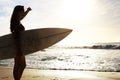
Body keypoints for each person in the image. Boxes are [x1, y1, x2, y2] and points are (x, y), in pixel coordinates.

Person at [10, 5, 32, 80]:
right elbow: (15, 36)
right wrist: (18, 49)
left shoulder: (17, 20)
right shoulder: (15, 22)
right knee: (18, 65)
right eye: (22, 11)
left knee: (22, 65)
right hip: (18, 47)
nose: (23, 13)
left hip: (20, 47)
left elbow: (22, 16)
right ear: (18, 12)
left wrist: (27, 11)